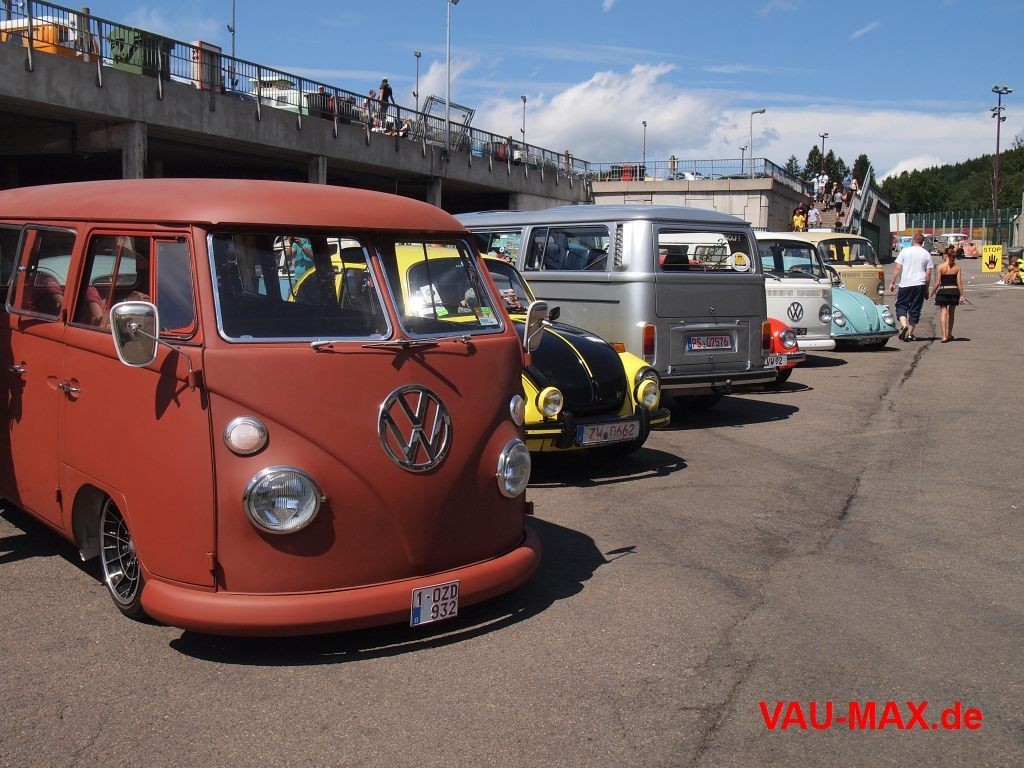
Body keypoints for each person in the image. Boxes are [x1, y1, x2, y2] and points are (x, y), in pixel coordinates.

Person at [889, 233, 934, 341]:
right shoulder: (926, 254)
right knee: (915, 308)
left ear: (913, 240)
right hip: (920, 283)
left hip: (905, 283)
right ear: (922, 242)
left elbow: (898, 268)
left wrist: (892, 282)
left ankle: (904, 325)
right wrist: (926, 289)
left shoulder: (905, 251)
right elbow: (928, 274)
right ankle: (910, 333)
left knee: (901, 305)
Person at [928, 246, 965, 342]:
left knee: (943, 311)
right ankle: (949, 334)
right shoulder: (957, 267)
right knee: (951, 313)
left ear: (946, 256)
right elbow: (959, 282)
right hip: (954, 291)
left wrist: (931, 294)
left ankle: (944, 336)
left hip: (943, 291)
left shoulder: (940, 267)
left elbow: (937, 282)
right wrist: (961, 295)